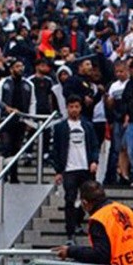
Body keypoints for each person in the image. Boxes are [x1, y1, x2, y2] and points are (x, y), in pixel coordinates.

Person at [50, 95, 100, 241]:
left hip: (86, 167)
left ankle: (80, 222)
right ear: (67, 108)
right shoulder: (60, 127)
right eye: (71, 107)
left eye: (76, 107)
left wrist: (94, 161)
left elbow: (94, 145)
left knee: (89, 198)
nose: (74, 110)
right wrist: (58, 170)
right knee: (70, 199)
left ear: (81, 108)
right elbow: (56, 150)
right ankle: (70, 231)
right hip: (69, 169)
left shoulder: (87, 126)